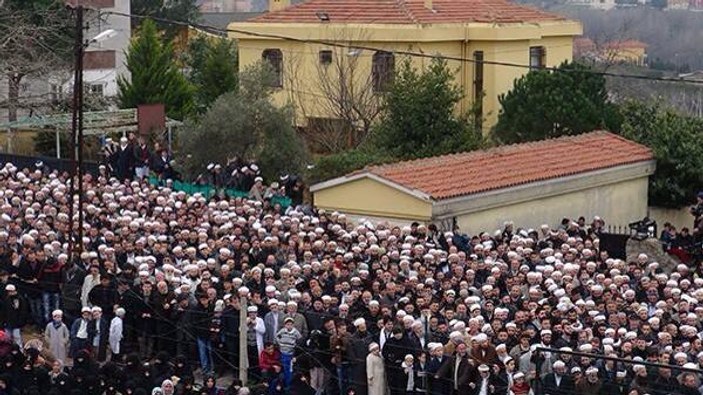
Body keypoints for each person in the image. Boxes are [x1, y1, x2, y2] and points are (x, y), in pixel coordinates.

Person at [275, 317, 301, 391]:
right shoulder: (282, 331)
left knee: (289, 370)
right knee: (283, 369)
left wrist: (294, 344)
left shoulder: (295, 332)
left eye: (290, 324)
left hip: (290, 353)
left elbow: (299, 339)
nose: (289, 326)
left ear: (293, 325)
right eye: (287, 324)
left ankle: (288, 385)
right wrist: (280, 343)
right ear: (285, 325)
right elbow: (277, 336)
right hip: (283, 352)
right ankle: (282, 384)